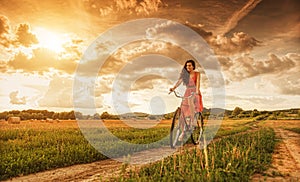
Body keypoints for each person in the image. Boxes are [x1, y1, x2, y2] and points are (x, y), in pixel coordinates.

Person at [169, 60, 203, 140]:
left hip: (195, 92)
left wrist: (197, 91)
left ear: (193, 66)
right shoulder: (185, 74)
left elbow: (198, 83)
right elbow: (179, 81)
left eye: (190, 65)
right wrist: (173, 88)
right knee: (182, 112)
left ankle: (193, 120)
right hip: (187, 91)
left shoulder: (197, 74)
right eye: (187, 66)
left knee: (190, 101)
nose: (188, 67)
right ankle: (183, 132)